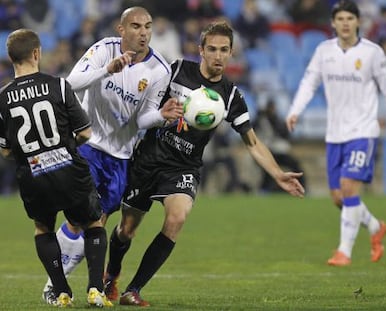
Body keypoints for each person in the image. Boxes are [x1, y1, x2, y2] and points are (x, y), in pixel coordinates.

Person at [103, 21, 305, 306]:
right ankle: (112, 275)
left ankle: (133, 290)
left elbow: (253, 142)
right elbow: (144, 109)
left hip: (183, 168)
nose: (218, 56)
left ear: (232, 52)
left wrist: (277, 173)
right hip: (148, 160)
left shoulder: (231, 95)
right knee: (127, 230)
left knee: (177, 218)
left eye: (224, 50)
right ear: (201, 50)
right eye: (212, 49)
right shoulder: (174, 71)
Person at [41, 6, 183, 304]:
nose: (143, 32)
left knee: (99, 222)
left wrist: (161, 115)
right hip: (89, 146)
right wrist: (107, 70)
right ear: (121, 29)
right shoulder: (103, 50)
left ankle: (90, 290)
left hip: (121, 158)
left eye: (147, 26)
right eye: (135, 26)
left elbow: (143, 119)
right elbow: (69, 84)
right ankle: (55, 285)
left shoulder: (159, 69)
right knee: (82, 218)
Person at [285, 0, 386, 266]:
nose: (345, 23)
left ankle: (344, 251)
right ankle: (376, 227)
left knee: (348, 187)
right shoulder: (324, 51)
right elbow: (309, 82)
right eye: (340, 18)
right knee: (338, 198)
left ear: (358, 22)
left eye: (349, 18)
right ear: (333, 23)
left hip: (363, 131)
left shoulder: (372, 53)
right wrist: (295, 110)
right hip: (335, 134)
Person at [0, 29, 112, 307]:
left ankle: (62, 292)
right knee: (94, 223)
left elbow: (4, 150)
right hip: (69, 170)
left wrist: (31, 156)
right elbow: (85, 133)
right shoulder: (59, 86)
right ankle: (96, 290)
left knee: (43, 228)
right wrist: (63, 147)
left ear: (10, 57)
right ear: (37, 53)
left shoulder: (2, 98)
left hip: (33, 176)